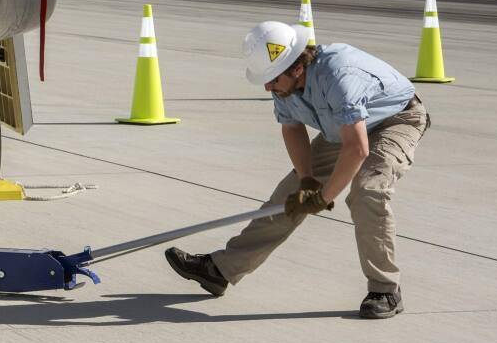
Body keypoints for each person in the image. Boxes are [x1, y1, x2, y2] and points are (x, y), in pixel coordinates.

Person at [166, 21, 429, 319]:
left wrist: (322, 197)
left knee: (368, 191)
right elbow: (292, 129)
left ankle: (385, 289)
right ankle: (221, 270)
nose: (267, 87)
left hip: (395, 122)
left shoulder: (340, 77)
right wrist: (306, 180)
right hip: (343, 129)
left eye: (272, 79)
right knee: (289, 194)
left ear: (296, 68)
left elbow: (357, 150)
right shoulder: (284, 86)